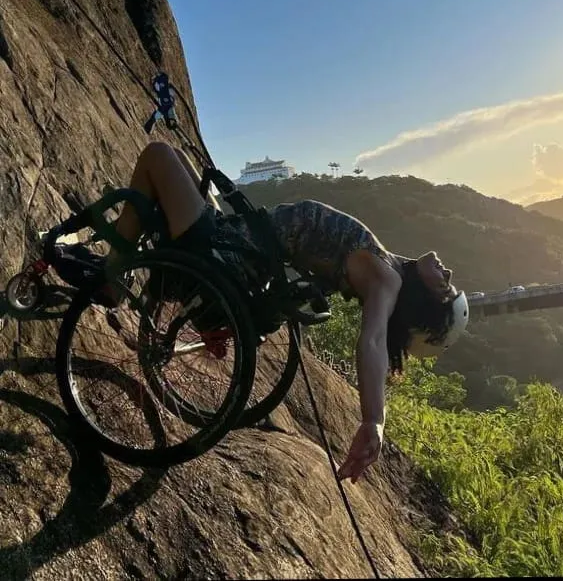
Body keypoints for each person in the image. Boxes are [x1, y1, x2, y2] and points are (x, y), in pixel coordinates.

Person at [94, 141, 469, 482]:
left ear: (423, 301)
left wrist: (374, 420)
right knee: (178, 159)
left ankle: (112, 273)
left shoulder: (386, 281)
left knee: (158, 155)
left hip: (231, 251)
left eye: (446, 286)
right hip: (240, 244)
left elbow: (372, 341)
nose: (447, 270)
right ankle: (119, 265)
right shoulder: (391, 266)